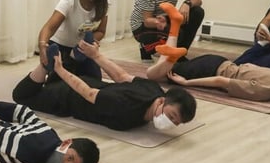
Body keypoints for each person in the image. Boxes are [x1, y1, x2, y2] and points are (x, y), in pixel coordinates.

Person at [145, 5, 270, 103]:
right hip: (209, 70)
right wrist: (186, 83)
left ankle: (173, 36)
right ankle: (174, 29)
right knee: (154, 76)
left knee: (163, 68)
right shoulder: (266, 92)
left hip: (219, 62)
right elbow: (221, 81)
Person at [12, 41, 197, 132]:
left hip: (89, 81)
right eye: (171, 116)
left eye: (175, 122)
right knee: (21, 95)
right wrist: (59, 70)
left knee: (64, 68)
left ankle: (74, 59)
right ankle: (47, 66)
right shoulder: (124, 107)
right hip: (68, 96)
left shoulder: (154, 90)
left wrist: (95, 55)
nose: (169, 122)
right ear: (162, 102)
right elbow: (88, 93)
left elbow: (121, 76)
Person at [35, 0, 111, 79]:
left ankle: (75, 56)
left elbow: (101, 31)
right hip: (60, 46)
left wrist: (89, 41)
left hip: (82, 49)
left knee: (95, 81)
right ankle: (62, 62)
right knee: (59, 83)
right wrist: (42, 45)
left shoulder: (104, 4)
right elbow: (49, 27)